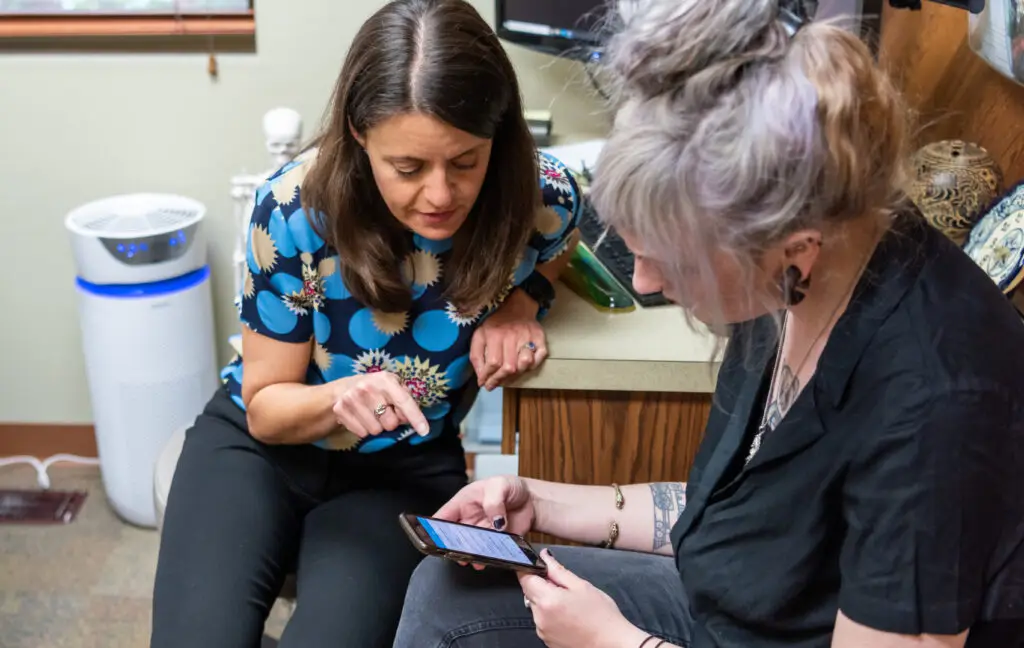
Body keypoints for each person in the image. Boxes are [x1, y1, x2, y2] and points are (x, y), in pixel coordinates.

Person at [393, 1, 1024, 647]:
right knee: (449, 595)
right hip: (739, 606)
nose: (641, 282)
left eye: (668, 260)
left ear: (786, 242)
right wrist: (538, 502)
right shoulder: (791, 281)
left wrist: (616, 643)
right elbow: (743, 515)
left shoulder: (936, 404)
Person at [150, 1, 581, 646]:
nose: (439, 195)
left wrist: (524, 303)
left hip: (400, 471)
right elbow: (265, 407)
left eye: (465, 162)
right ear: (359, 133)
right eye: (408, 168)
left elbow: (567, 244)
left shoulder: (539, 195)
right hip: (262, 449)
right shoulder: (292, 206)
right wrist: (337, 397)